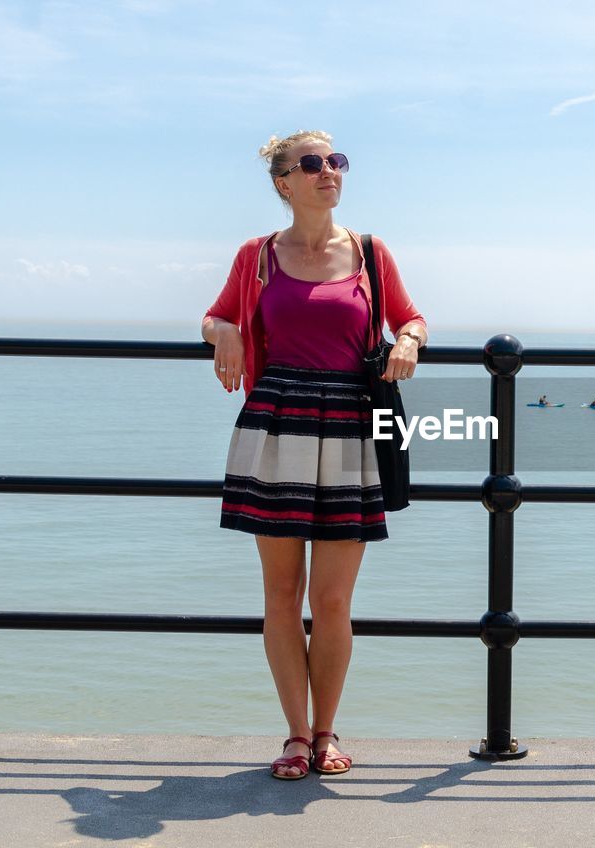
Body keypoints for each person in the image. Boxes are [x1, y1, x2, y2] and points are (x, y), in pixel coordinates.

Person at [201, 130, 428, 780]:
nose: (328, 172)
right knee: (281, 593)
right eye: (312, 164)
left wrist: (408, 342)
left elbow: (411, 318)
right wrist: (225, 332)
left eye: (336, 161)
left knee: (331, 600)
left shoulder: (369, 252)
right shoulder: (258, 257)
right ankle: (296, 737)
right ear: (284, 183)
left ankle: (327, 732)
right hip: (276, 423)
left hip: (352, 425)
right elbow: (214, 315)